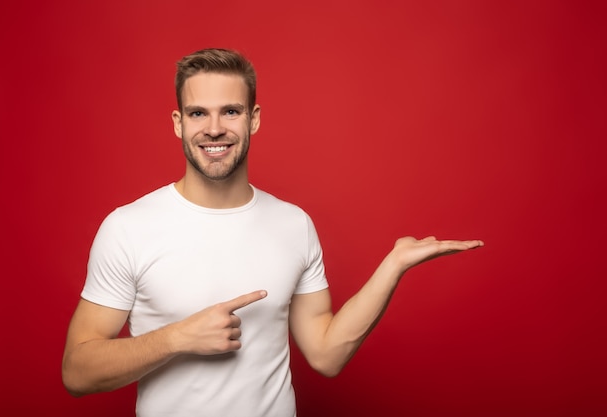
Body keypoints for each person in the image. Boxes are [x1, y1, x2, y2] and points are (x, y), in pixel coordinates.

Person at [62, 48, 483, 416]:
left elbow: (326, 354)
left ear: (254, 119)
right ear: (178, 122)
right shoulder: (128, 227)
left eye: (230, 111)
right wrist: (176, 338)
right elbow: (77, 372)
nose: (213, 128)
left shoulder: (293, 224)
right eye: (197, 113)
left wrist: (393, 266)